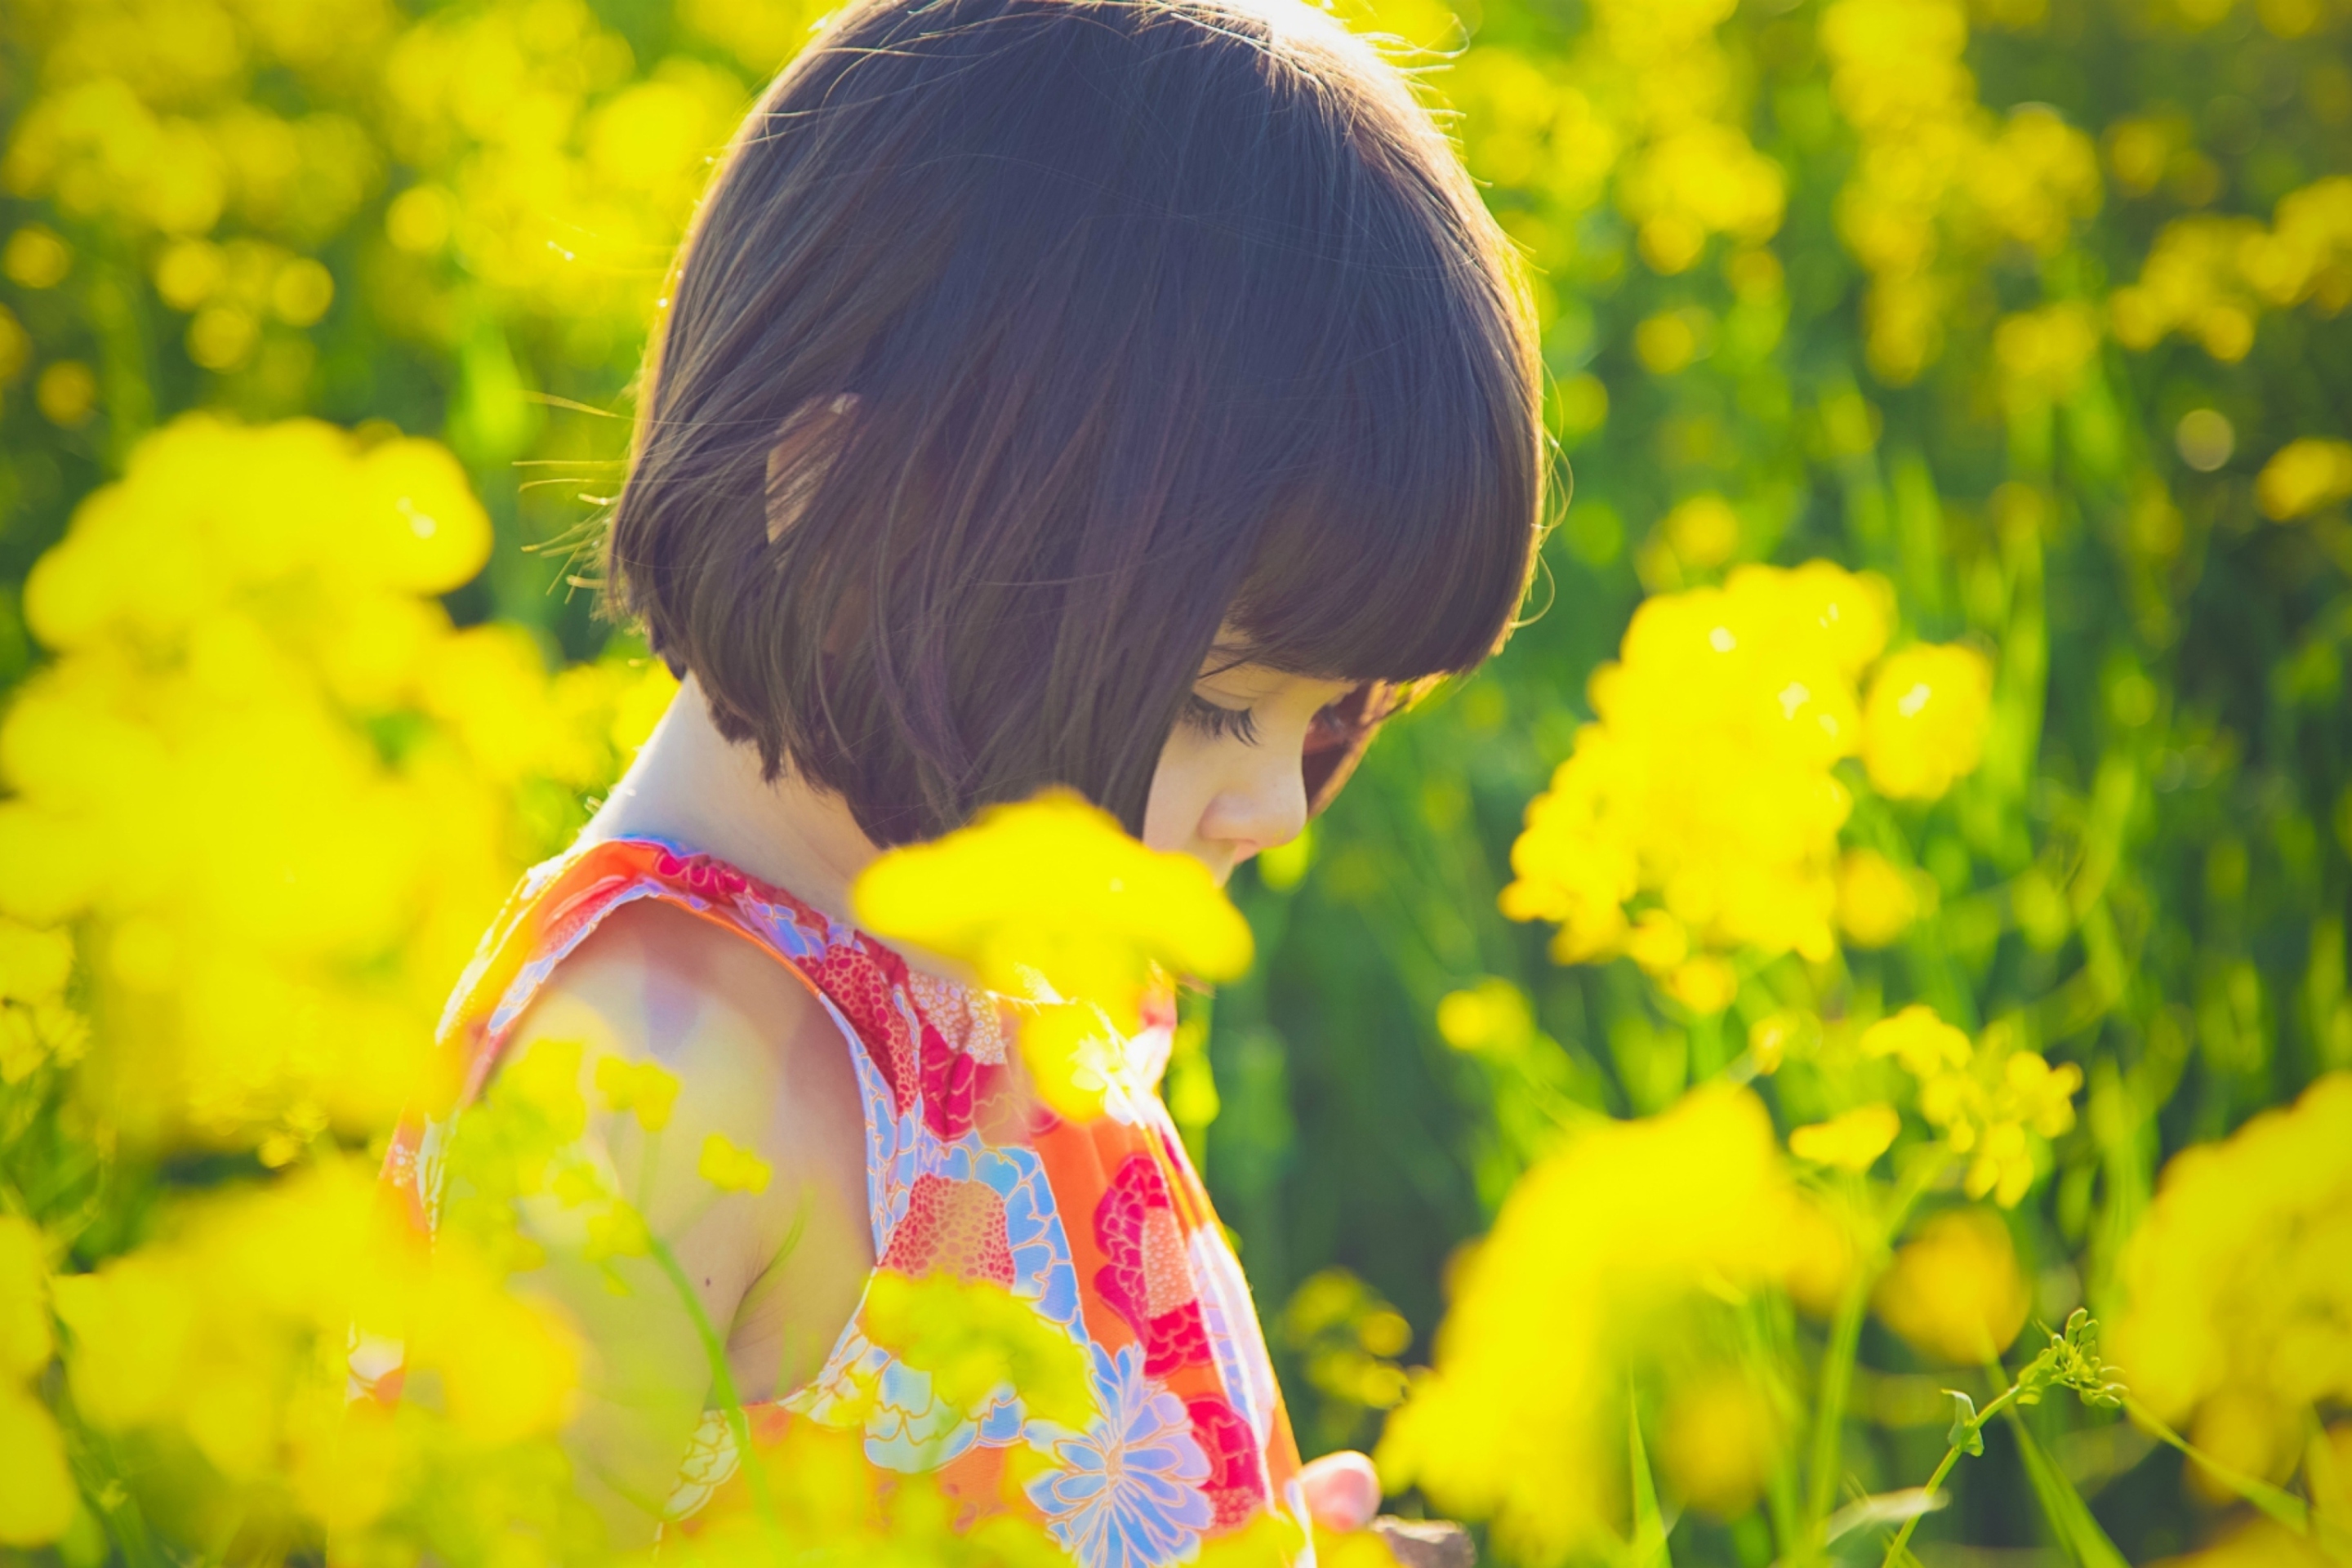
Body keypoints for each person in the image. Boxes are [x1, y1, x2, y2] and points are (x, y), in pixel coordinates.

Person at [376, 0, 1544, 1558]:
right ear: (851, 514)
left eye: (1325, 716)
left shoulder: (992, 972)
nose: (1271, 805)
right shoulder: (652, 1074)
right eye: (1211, 704)